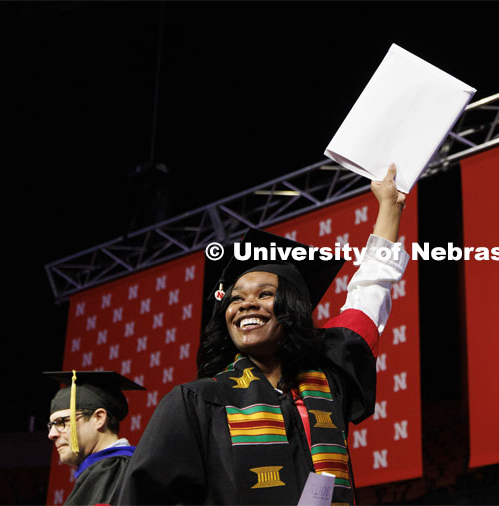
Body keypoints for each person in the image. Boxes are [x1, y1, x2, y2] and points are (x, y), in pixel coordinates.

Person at [119, 164, 408, 504]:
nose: (245, 305)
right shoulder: (198, 402)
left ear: (291, 308)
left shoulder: (327, 382)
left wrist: (390, 206)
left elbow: (371, 290)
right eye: (236, 298)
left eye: (265, 294)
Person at [45, 370, 146, 505]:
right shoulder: (100, 471)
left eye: (61, 422)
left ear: (99, 418)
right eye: (51, 425)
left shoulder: (112, 470)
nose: (51, 434)